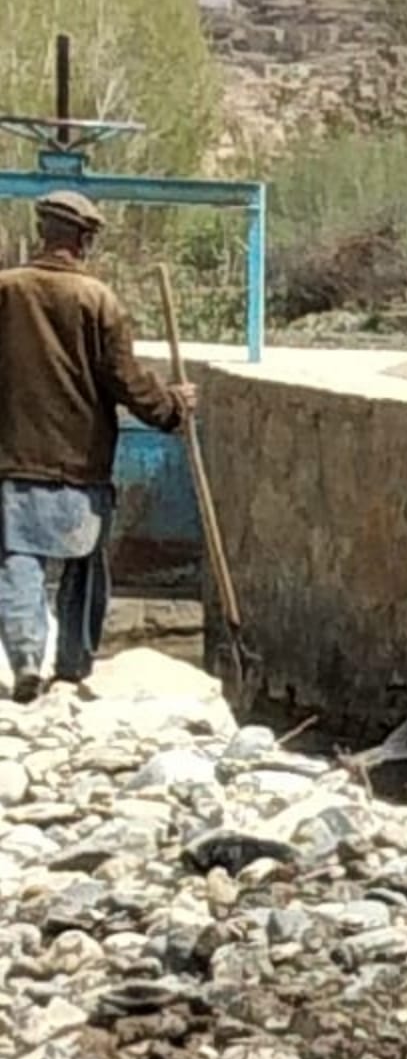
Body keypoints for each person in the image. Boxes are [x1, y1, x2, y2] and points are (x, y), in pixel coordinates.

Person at [0, 190, 191, 703]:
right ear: (83, 239)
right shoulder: (97, 300)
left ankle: (24, 660)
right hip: (82, 459)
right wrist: (171, 406)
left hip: (14, 456)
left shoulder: (6, 290)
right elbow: (125, 379)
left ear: (43, 232)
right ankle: (73, 665)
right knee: (84, 563)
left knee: (18, 558)